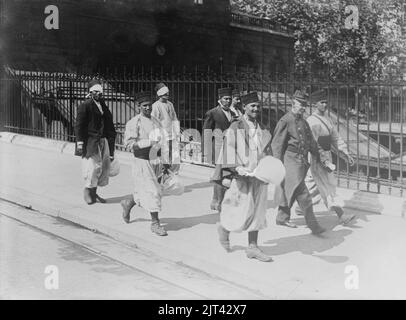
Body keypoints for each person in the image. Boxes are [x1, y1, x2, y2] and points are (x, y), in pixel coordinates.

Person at [216, 91, 274, 262]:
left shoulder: (262, 128)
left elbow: (267, 150)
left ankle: (252, 247)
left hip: (259, 176)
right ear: (244, 107)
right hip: (242, 176)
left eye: (258, 106)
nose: (256, 109)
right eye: (252, 106)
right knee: (239, 209)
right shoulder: (237, 127)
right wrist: (237, 168)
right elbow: (229, 149)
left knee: (258, 211)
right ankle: (224, 229)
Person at [271, 92, 326, 234]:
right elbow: (277, 144)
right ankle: (314, 226)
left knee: (290, 189)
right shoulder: (285, 120)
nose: (304, 107)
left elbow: (311, 141)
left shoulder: (304, 121)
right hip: (289, 160)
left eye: (305, 105)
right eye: (301, 104)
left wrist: (318, 156)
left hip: (300, 160)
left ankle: (282, 217)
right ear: (293, 104)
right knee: (303, 193)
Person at [120, 91, 167, 236]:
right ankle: (155, 224)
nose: (148, 108)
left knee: (153, 190)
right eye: (144, 106)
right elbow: (129, 144)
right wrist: (148, 142)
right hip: (142, 161)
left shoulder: (156, 121)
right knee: (153, 192)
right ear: (138, 106)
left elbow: (162, 140)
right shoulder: (134, 123)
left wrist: (165, 160)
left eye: (149, 105)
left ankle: (129, 202)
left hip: (155, 160)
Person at [304, 99, 356, 224]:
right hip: (317, 157)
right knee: (328, 186)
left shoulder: (327, 119)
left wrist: (345, 153)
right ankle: (342, 215)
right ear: (314, 103)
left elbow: (335, 138)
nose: (325, 105)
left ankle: (294, 207)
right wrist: (321, 158)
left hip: (326, 155)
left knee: (311, 186)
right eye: (321, 102)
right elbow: (311, 143)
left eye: (326, 102)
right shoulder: (311, 121)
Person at [75, 79, 116, 205]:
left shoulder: (103, 105)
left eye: (100, 92)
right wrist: (80, 143)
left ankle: (94, 192)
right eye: (95, 92)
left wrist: (111, 143)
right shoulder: (86, 105)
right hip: (91, 141)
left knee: (103, 168)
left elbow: (108, 123)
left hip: (103, 140)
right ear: (90, 93)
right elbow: (79, 125)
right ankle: (87, 190)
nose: (98, 94)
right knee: (92, 167)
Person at [203, 87, 237, 212]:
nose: (228, 101)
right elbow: (207, 131)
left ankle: (218, 200)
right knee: (220, 175)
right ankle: (217, 201)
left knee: (227, 175)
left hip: (229, 149)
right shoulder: (212, 113)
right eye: (225, 98)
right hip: (217, 148)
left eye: (229, 98)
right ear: (219, 99)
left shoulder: (233, 114)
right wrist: (206, 152)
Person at [151, 83, 180, 170]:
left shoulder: (170, 104)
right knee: (164, 156)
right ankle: (162, 175)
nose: (167, 95)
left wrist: (177, 131)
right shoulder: (156, 106)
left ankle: (170, 174)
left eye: (167, 93)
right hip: (162, 136)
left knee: (173, 156)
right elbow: (154, 122)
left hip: (172, 134)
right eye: (165, 93)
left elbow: (174, 118)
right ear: (160, 94)